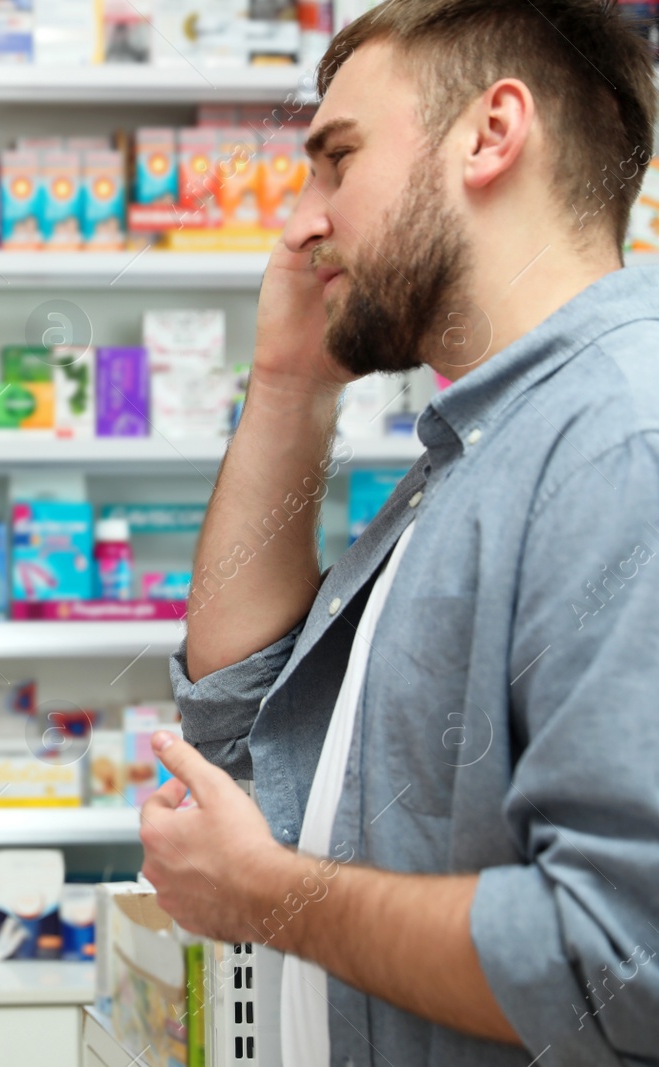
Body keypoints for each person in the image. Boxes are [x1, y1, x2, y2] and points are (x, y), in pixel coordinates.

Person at [135, 1, 659, 1064]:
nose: (298, 220)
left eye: (336, 158)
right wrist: (286, 386)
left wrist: (271, 896)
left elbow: (624, 967)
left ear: (491, 134)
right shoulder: (483, 441)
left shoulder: (620, 445)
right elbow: (244, 734)